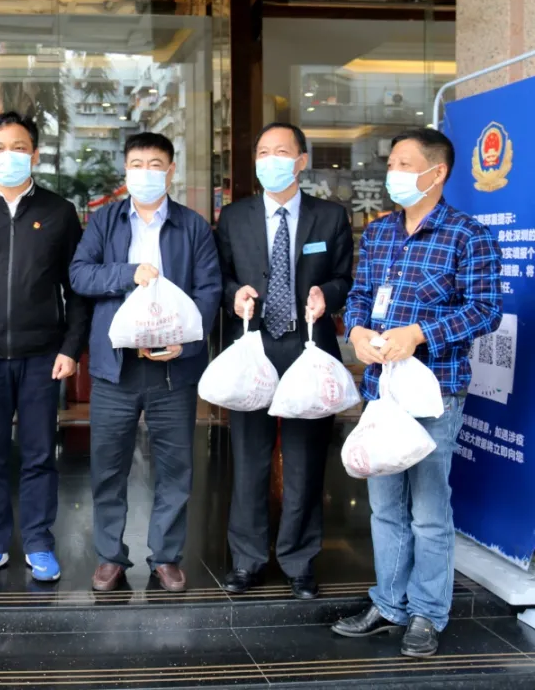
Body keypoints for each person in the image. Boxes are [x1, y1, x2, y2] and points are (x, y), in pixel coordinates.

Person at [333, 128, 502, 657]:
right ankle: (389, 603)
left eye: (405, 164)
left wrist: (421, 334)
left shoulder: (468, 235)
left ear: (437, 172)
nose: (393, 173)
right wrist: (357, 330)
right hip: (382, 391)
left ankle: (427, 613)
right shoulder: (380, 232)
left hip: (435, 392)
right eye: (391, 164)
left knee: (429, 511)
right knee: (385, 507)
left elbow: (485, 310)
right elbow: (360, 295)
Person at [69, 132, 221, 593]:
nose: (146, 172)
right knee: (108, 466)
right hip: (115, 367)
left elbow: (209, 290)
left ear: (171, 170)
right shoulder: (104, 221)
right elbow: (80, 274)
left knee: (175, 468)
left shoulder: (193, 226)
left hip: (173, 369)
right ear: (126, 170)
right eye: (137, 164)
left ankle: (166, 557)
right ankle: (110, 557)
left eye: (155, 164)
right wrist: (127, 274)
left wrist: (186, 342)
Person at [215, 122, 354, 600]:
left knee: (304, 461)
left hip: (308, 348)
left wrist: (326, 294)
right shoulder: (234, 217)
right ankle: (247, 559)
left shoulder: (329, 217)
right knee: (249, 459)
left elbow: (345, 278)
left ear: (300, 161)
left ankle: (299, 561)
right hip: (253, 349)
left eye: (280, 152)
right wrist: (234, 295)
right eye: (262, 152)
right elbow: (220, 278)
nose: (269, 160)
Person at [0, 112, 90, 583]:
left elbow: (77, 289)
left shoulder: (59, 212)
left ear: (34, 154)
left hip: (42, 356)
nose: (8, 155)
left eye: (18, 147)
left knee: (39, 454)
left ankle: (38, 541)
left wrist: (71, 347)